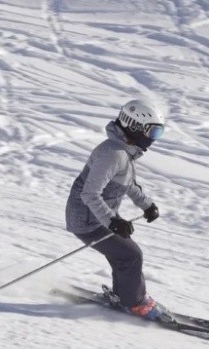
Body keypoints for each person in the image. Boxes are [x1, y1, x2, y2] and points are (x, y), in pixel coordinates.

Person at [65, 99, 168, 321]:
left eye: (157, 133)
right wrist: (112, 221)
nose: (153, 139)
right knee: (131, 255)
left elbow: (128, 183)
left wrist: (146, 205)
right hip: (87, 220)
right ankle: (134, 303)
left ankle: (126, 295)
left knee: (122, 254)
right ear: (135, 127)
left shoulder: (124, 151)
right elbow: (90, 194)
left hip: (97, 216)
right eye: (153, 132)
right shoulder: (113, 154)